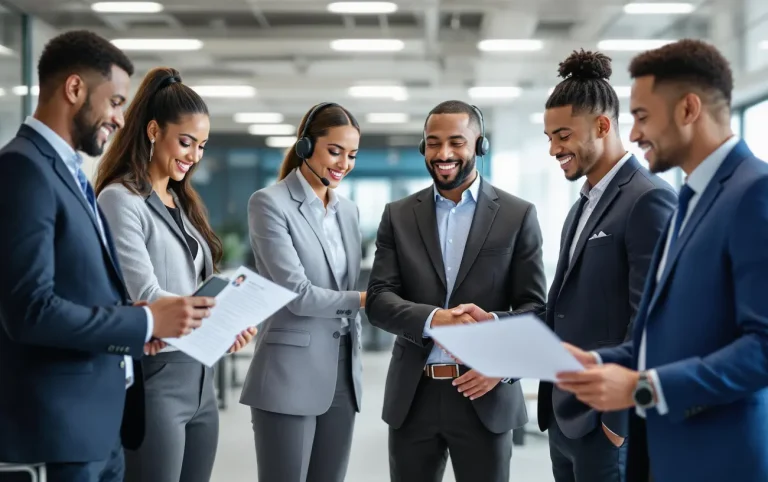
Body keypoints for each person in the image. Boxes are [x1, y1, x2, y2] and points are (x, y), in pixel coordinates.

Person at [0, 30, 215, 482]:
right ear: (75, 89)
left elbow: (84, 290)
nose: (120, 118)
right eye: (115, 102)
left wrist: (135, 321)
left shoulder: (70, 174)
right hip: (62, 428)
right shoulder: (23, 169)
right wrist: (145, 322)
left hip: (101, 425)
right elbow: (29, 310)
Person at [554, 39, 768, 482]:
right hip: (668, 453)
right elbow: (666, 334)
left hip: (722, 458)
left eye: (643, 117)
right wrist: (598, 361)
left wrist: (645, 388)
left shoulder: (755, 192)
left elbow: (763, 347)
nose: (633, 134)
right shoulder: (690, 198)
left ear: (688, 109)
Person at [365, 100, 547, 482]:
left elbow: (536, 310)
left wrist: (502, 365)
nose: (443, 154)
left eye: (456, 142)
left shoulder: (517, 215)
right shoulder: (398, 215)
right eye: (433, 143)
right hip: (414, 396)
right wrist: (436, 320)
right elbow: (379, 299)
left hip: (485, 393)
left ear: (479, 146)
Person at [93, 67, 256, 482]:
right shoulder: (120, 200)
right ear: (153, 131)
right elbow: (146, 294)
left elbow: (197, 288)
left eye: (201, 146)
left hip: (201, 380)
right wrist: (212, 319)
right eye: (186, 142)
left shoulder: (182, 202)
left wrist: (227, 323)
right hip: (156, 380)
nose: (194, 156)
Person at [537, 49, 676, 482]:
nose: (554, 149)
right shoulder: (581, 206)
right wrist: (497, 322)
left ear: (602, 126)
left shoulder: (648, 198)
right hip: (565, 416)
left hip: (609, 422)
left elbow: (652, 321)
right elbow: (565, 309)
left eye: (562, 135)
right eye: (549, 137)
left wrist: (619, 421)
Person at [239, 102, 366, 482]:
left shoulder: (348, 211)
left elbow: (346, 282)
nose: (343, 163)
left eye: (352, 155)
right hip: (289, 372)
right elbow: (297, 294)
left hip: (343, 371)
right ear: (306, 146)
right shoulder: (269, 203)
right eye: (335, 151)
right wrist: (366, 300)